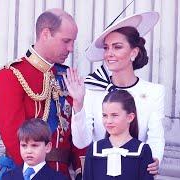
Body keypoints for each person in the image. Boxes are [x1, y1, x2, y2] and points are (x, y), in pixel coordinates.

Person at [63, 11, 165, 175]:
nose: (109, 53)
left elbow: (156, 135)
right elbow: (82, 142)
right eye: (106, 48)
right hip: (100, 172)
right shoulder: (92, 89)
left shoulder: (154, 92)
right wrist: (78, 105)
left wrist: (154, 159)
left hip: (136, 171)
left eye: (117, 47)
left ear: (133, 53)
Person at [0, 8, 85, 179]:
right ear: (46, 34)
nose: (71, 48)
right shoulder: (11, 75)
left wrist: (81, 170)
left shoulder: (66, 76)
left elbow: (77, 131)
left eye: (72, 42)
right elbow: (14, 138)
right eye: (66, 41)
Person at [83, 90, 154, 180]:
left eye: (114, 115)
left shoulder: (142, 150)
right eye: (105, 115)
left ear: (130, 117)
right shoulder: (94, 149)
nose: (108, 121)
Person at [3, 118, 67, 180]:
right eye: (24, 145)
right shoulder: (7, 177)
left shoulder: (58, 178)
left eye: (34, 145)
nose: (29, 151)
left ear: (47, 147)